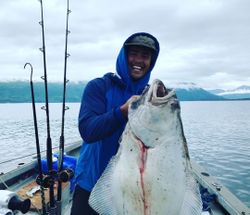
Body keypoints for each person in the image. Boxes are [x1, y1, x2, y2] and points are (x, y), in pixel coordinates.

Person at [70, 32, 160, 215]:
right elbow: (88, 130)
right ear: (123, 56)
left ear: (151, 61)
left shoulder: (152, 97)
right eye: (133, 53)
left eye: (145, 56)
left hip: (131, 189)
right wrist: (122, 113)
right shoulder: (99, 87)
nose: (139, 60)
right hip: (91, 184)